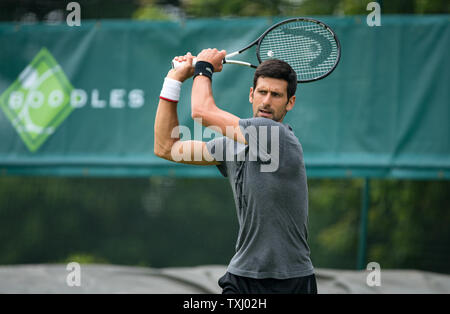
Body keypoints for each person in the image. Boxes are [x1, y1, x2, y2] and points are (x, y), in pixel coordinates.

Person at [154, 48, 317, 294]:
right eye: (262, 92)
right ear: (251, 94)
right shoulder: (232, 145)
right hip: (241, 278)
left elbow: (201, 112)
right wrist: (173, 80)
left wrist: (203, 68)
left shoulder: (278, 136)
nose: (266, 101)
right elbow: (167, 146)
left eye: (276, 95)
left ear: (290, 102)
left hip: (290, 282)